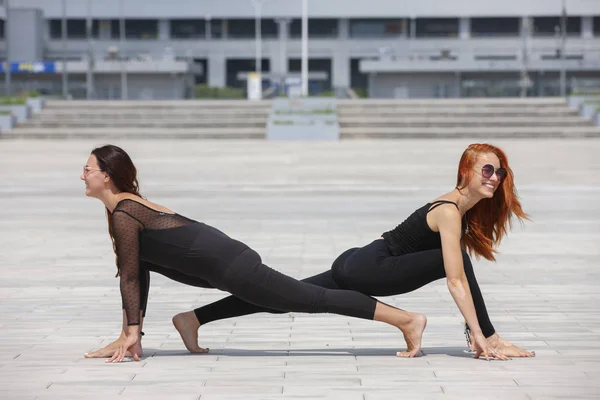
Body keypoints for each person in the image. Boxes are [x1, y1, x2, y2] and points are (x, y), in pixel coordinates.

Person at [82, 144, 505, 364]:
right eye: (488, 169)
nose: (82, 175)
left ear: (106, 176)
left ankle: (408, 321)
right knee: (288, 296)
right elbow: (136, 271)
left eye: (87, 169)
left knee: (304, 299)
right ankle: (191, 320)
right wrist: (131, 330)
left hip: (242, 264)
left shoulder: (125, 212)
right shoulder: (130, 209)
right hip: (242, 260)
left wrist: (131, 332)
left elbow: (134, 275)